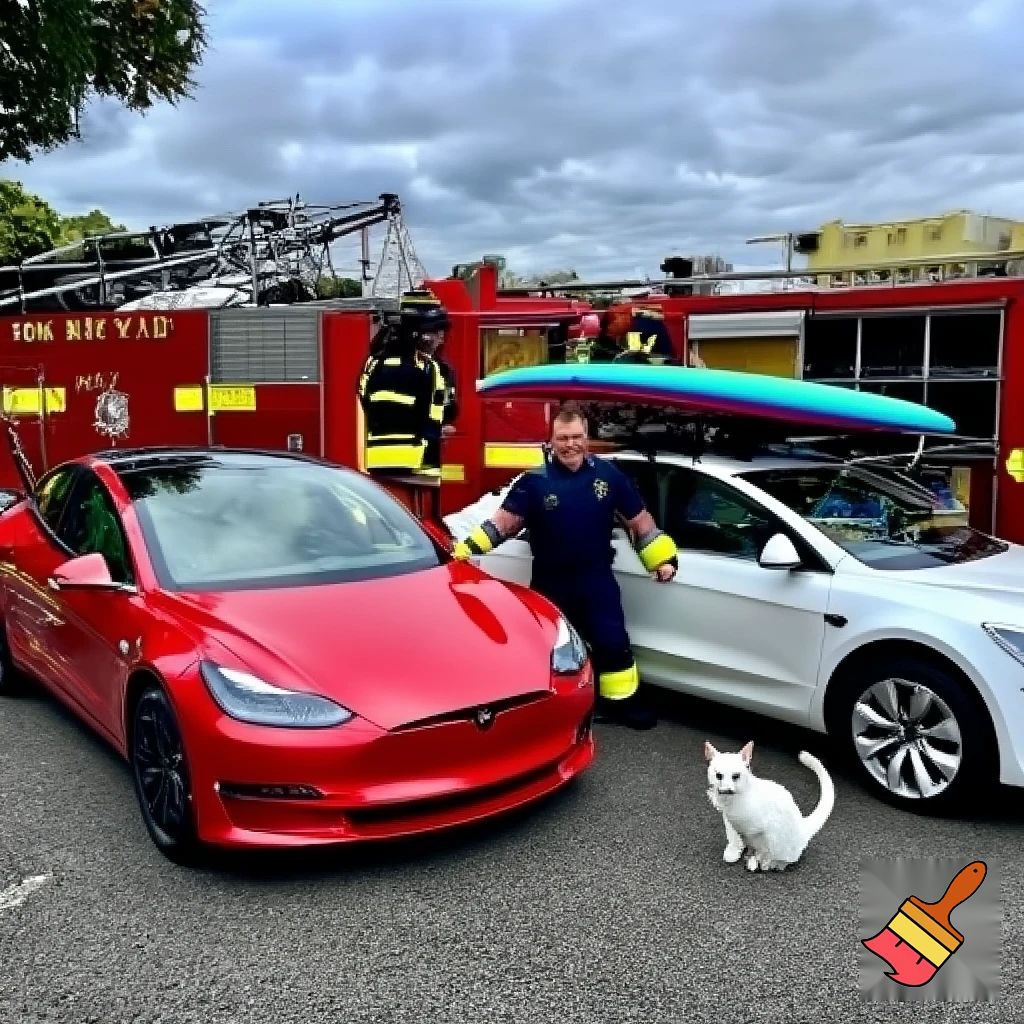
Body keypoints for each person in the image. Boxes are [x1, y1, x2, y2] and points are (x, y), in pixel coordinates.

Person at [452, 402, 678, 730]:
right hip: (550, 582)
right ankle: (547, 711)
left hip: (596, 579)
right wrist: (465, 550)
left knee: (612, 642)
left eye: (576, 437)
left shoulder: (609, 476)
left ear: (587, 438)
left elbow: (639, 522)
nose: (570, 444)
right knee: (549, 649)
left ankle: (622, 706)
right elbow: (502, 524)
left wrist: (661, 560)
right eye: (563, 438)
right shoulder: (534, 481)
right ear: (551, 440)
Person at [357, 290, 453, 520]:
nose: (440, 339)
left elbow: (364, 400)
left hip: (385, 464)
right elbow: (431, 413)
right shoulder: (425, 367)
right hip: (410, 465)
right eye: (437, 332)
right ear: (420, 334)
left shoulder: (375, 362)